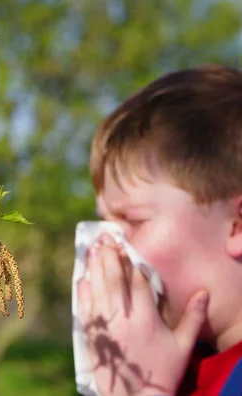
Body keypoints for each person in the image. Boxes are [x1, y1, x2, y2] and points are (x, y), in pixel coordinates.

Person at [76, 65, 242, 396]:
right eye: (106, 222)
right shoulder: (176, 364)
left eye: (133, 221)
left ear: (237, 227)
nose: (106, 245)